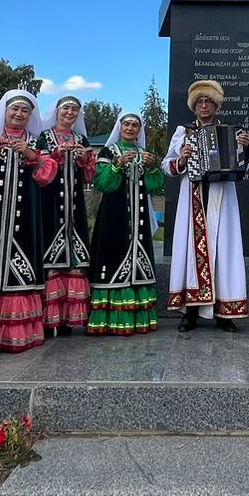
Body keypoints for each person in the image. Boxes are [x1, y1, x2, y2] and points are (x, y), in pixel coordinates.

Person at [163, 78, 249, 330]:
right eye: (200, 102)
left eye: (209, 102)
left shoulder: (231, 132)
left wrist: (245, 149)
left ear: (216, 106)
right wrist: (182, 159)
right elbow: (167, 165)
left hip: (221, 196)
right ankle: (190, 312)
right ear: (193, 107)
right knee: (191, 252)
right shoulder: (183, 132)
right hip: (192, 196)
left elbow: (243, 166)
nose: (204, 106)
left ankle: (224, 313)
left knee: (223, 250)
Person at [0, 88, 48, 352]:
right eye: (15, 109)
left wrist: (31, 155)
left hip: (25, 216)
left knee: (23, 268)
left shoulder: (37, 141)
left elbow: (47, 175)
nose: (19, 114)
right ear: (4, 111)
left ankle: (17, 334)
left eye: (25, 111)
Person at [88, 111, 164, 336]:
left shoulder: (144, 154)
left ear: (139, 130)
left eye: (135, 125)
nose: (130, 128)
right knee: (113, 257)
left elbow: (154, 186)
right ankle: (109, 319)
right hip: (114, 216)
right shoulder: (108, 152)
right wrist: (117, 165)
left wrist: (153, 167)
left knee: (138, 259)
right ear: (119, 128)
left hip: (139, 220)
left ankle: (138, 319)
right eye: (127, 124)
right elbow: (102, 183)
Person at [36, 95, 95, 336]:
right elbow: (39, 170)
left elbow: (89, 175)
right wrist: (55, 155)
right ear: (57, 111)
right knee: (50, 257)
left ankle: (69, 319)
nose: (70, 113)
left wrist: (84, 159)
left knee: (74, 259)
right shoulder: (44, 137)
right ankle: (48, 320)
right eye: (66, 109)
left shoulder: (81, 139)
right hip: (50, 203)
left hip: (75, 206)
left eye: (75, 110)